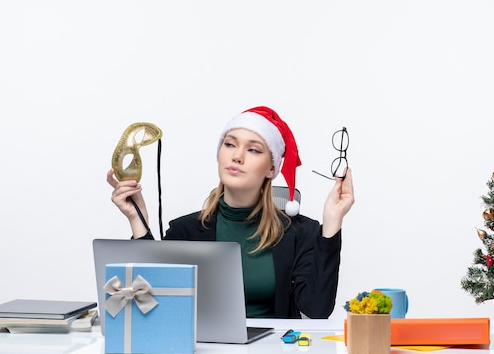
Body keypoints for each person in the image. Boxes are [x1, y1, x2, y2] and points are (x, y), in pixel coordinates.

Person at [107, 106, 355, 319]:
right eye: (229, 144)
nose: (237, 156)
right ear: (219, 155)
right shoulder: (185, 231)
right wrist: (137, 219)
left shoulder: (302, 232)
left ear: (271, 168)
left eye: (253, 150)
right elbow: (150, 303)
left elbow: (316, 309)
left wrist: (332, 224)